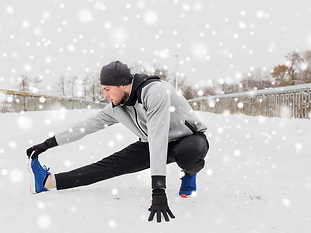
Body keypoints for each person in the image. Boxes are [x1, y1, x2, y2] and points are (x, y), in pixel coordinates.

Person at [27, 60, 209, 223]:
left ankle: (189, 174)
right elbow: (85, 127)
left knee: (188, 155)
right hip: (151, 142)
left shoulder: (155, 92)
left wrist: (158, 191)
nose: (105, 95)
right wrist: (47, 144)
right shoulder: (116, 107)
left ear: (123, 84)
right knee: (108, 165)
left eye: (107, 89)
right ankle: (48, 182)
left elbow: (158, 137)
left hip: (189, 138)